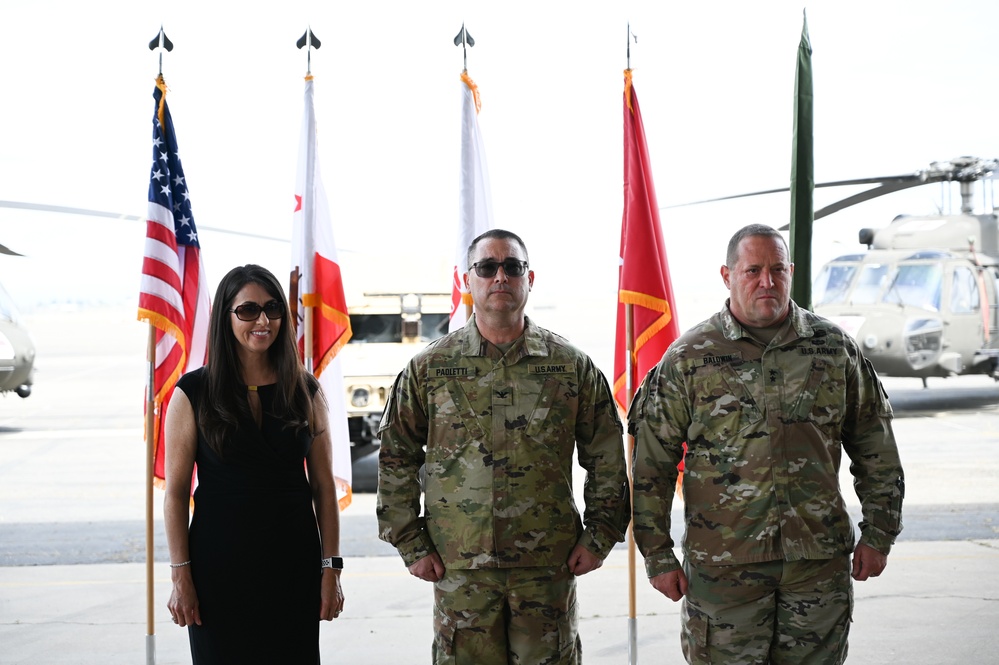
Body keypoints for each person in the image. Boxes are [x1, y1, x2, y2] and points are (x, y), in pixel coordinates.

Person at [629, 224, 905, 664]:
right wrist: (658, 555)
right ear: (727, 275)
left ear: (790, 271)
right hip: (725, 569)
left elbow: (876, 447)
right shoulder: (690, 357)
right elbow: (651, 467)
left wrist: (880, 532)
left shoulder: (833, 349)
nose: (767, 281)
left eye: (777, 269)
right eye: (753, 270)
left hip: (816, 563)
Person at [377, 229, 630, 664]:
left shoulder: (570, 366)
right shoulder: (431, 367)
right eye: (487, 267)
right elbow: (397, 455)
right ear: (466, 280)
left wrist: (600, 534)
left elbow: (606, 456)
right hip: (459, 570)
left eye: (512, 267)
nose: (500, 277)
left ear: (530, 279)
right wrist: (411, 543)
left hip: (547, 570)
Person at [164, 264, 344, 664]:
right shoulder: (192, 392)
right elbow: (175, 493)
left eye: (272, 308)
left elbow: (323, 489)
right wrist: (181, 575)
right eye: (248, 310)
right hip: (217, 569)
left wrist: (331, 568)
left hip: (293, 565)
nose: (263, 321)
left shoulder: (305, 390)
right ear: (225, 317)